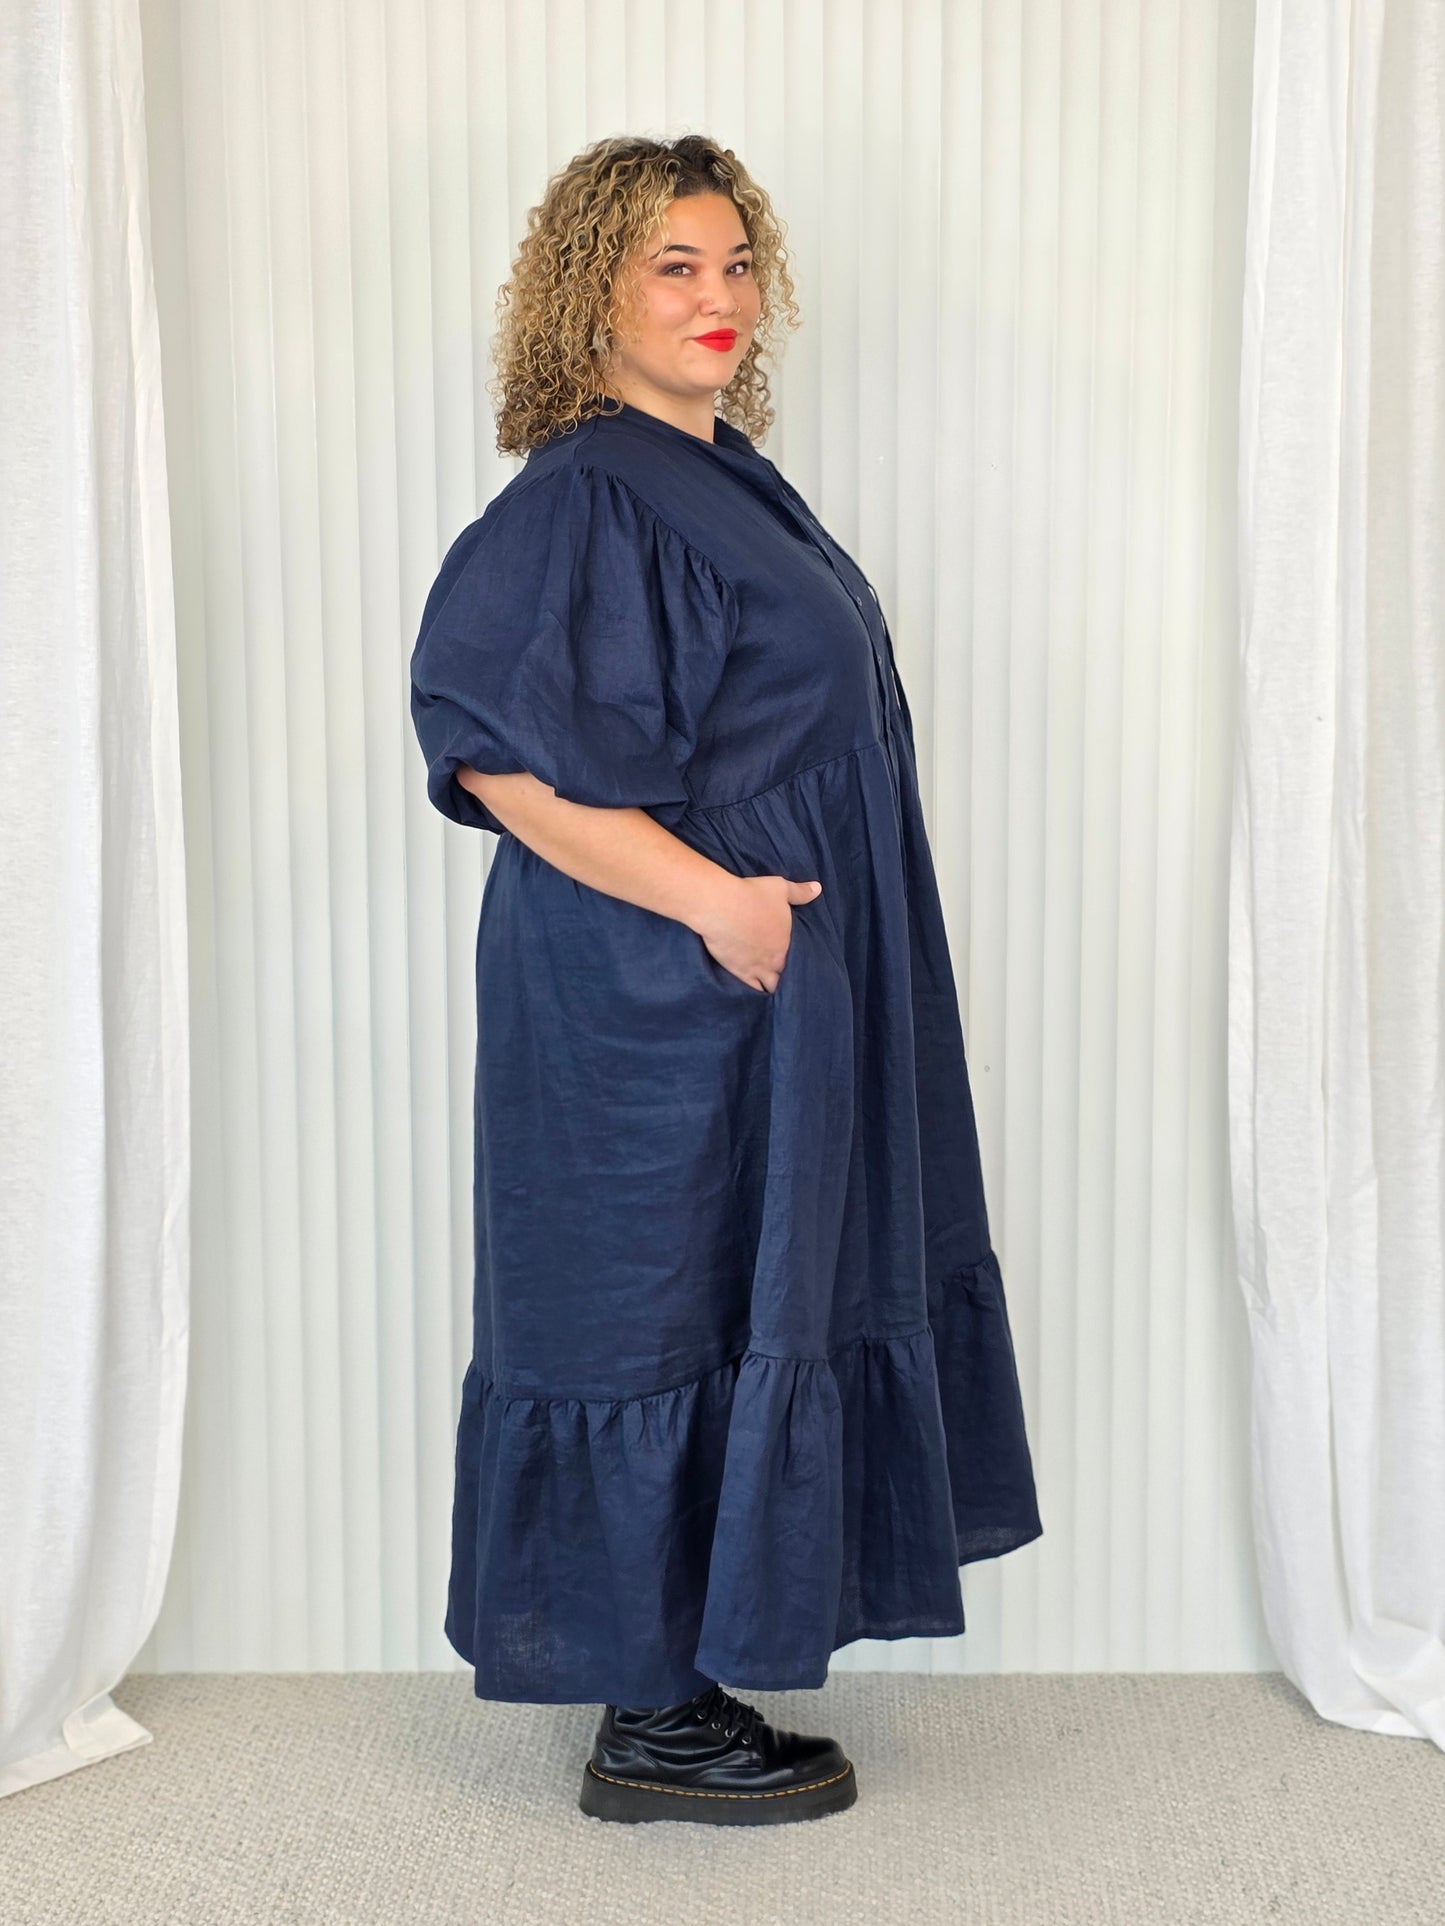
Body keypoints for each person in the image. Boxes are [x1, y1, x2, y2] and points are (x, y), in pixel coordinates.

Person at [409, 133, 1043, 1828]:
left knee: (739, 1291)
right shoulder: (583, 494)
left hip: (750, 972)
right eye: (671, 267)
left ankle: (686, 1673)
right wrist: (715, 902)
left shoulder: (727, 474)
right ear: (588, 294)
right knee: (653, 1298)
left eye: (735, 264)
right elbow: (491, 754)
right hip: (652, 989)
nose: (717, 298)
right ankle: (648, 1716)